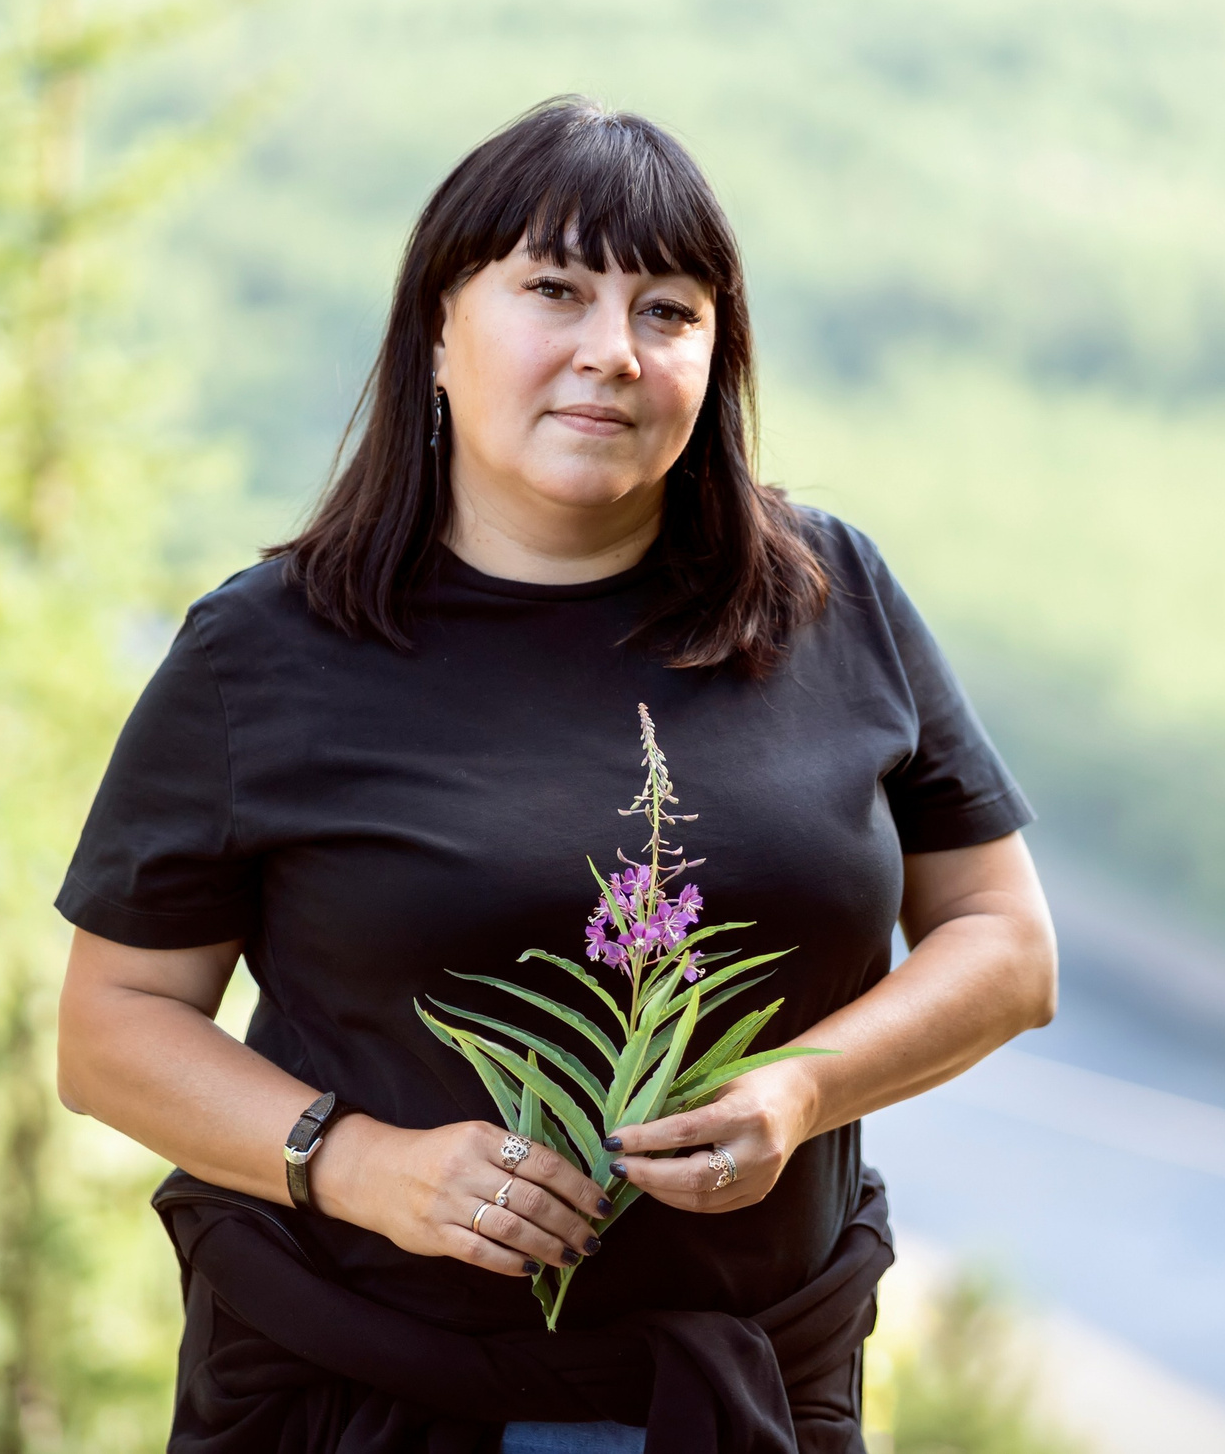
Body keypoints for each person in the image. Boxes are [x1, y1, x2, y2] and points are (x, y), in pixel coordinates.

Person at [52, 96, 1058, 1454]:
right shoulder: (271, 648)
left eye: (666, 309)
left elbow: (1005, 943)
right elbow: (112, 1025)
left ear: (718, 355)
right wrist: (362, 1165)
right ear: (439, 335)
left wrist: (802, 1086)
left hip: (755, 1393)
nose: (611, 352)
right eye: (554, 290)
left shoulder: (828, 593)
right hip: (362, 1399)